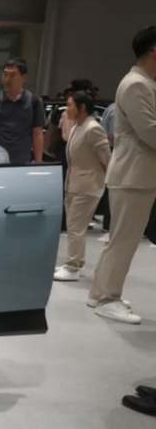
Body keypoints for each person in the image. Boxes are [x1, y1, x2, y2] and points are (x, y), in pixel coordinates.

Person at [88, 26, 156, 324]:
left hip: (136, 174)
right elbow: (150, 131)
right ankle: (108, 298)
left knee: (120, 239)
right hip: (134, 175)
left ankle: (100, 293)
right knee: (124, 241)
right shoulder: (137, 85)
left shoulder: (143, 83)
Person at [53, 91, 111, 282]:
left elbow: (106, 159)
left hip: (88, 186)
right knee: (73, 226)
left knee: (76, 228)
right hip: (74, 183)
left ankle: (73, 266)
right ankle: (74, 261)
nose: (67, 109)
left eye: (70, 105)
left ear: (82, 107)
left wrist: (105, 181)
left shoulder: (93, 129)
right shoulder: (78, 126)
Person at [0, 58, 45, 164]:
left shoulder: (34, 101)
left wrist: (38, 162)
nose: (7, 79)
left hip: (22, 162)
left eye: (13, 75)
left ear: (24, 78)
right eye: (5, 75)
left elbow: (37, 133)